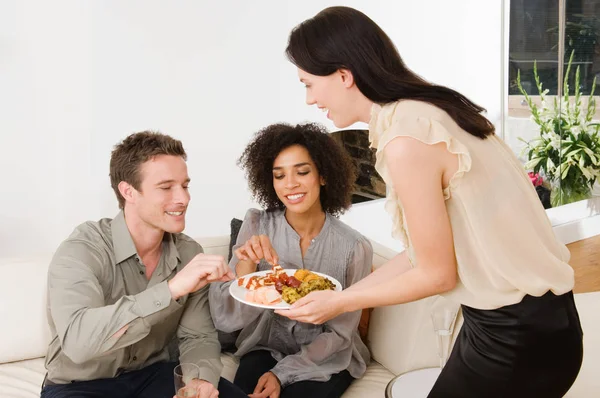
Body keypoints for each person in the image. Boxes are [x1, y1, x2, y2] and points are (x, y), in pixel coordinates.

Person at [276, 6, 584, 398]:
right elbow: (421, 254)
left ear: (343, 74)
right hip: (532, 321)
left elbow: (437, 275)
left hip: (516, 335)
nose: (309, 99)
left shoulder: (407, 139)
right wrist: (340, 298)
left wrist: (340, 304)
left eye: (308, 83)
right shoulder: (427, 112)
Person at [42, 131, 247, 398]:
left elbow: (197, 337)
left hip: (154, 376)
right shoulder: (83, 248)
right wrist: (171, 290)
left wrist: (199, 380)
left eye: (185, 185)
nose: (183, 198)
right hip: (80, 385)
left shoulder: (188, 253)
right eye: (166, 187)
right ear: (128, 192)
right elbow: (79, 343)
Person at [209, 122, 372, 398]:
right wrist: (246, 264)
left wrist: (281, 374)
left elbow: (340, 334)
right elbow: (227, 319)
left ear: (322, 175)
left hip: (325, 355)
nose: (291, 184)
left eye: (302, 171)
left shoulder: (354, 248)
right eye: (279, 175)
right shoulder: (256, 224)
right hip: (265, 345)